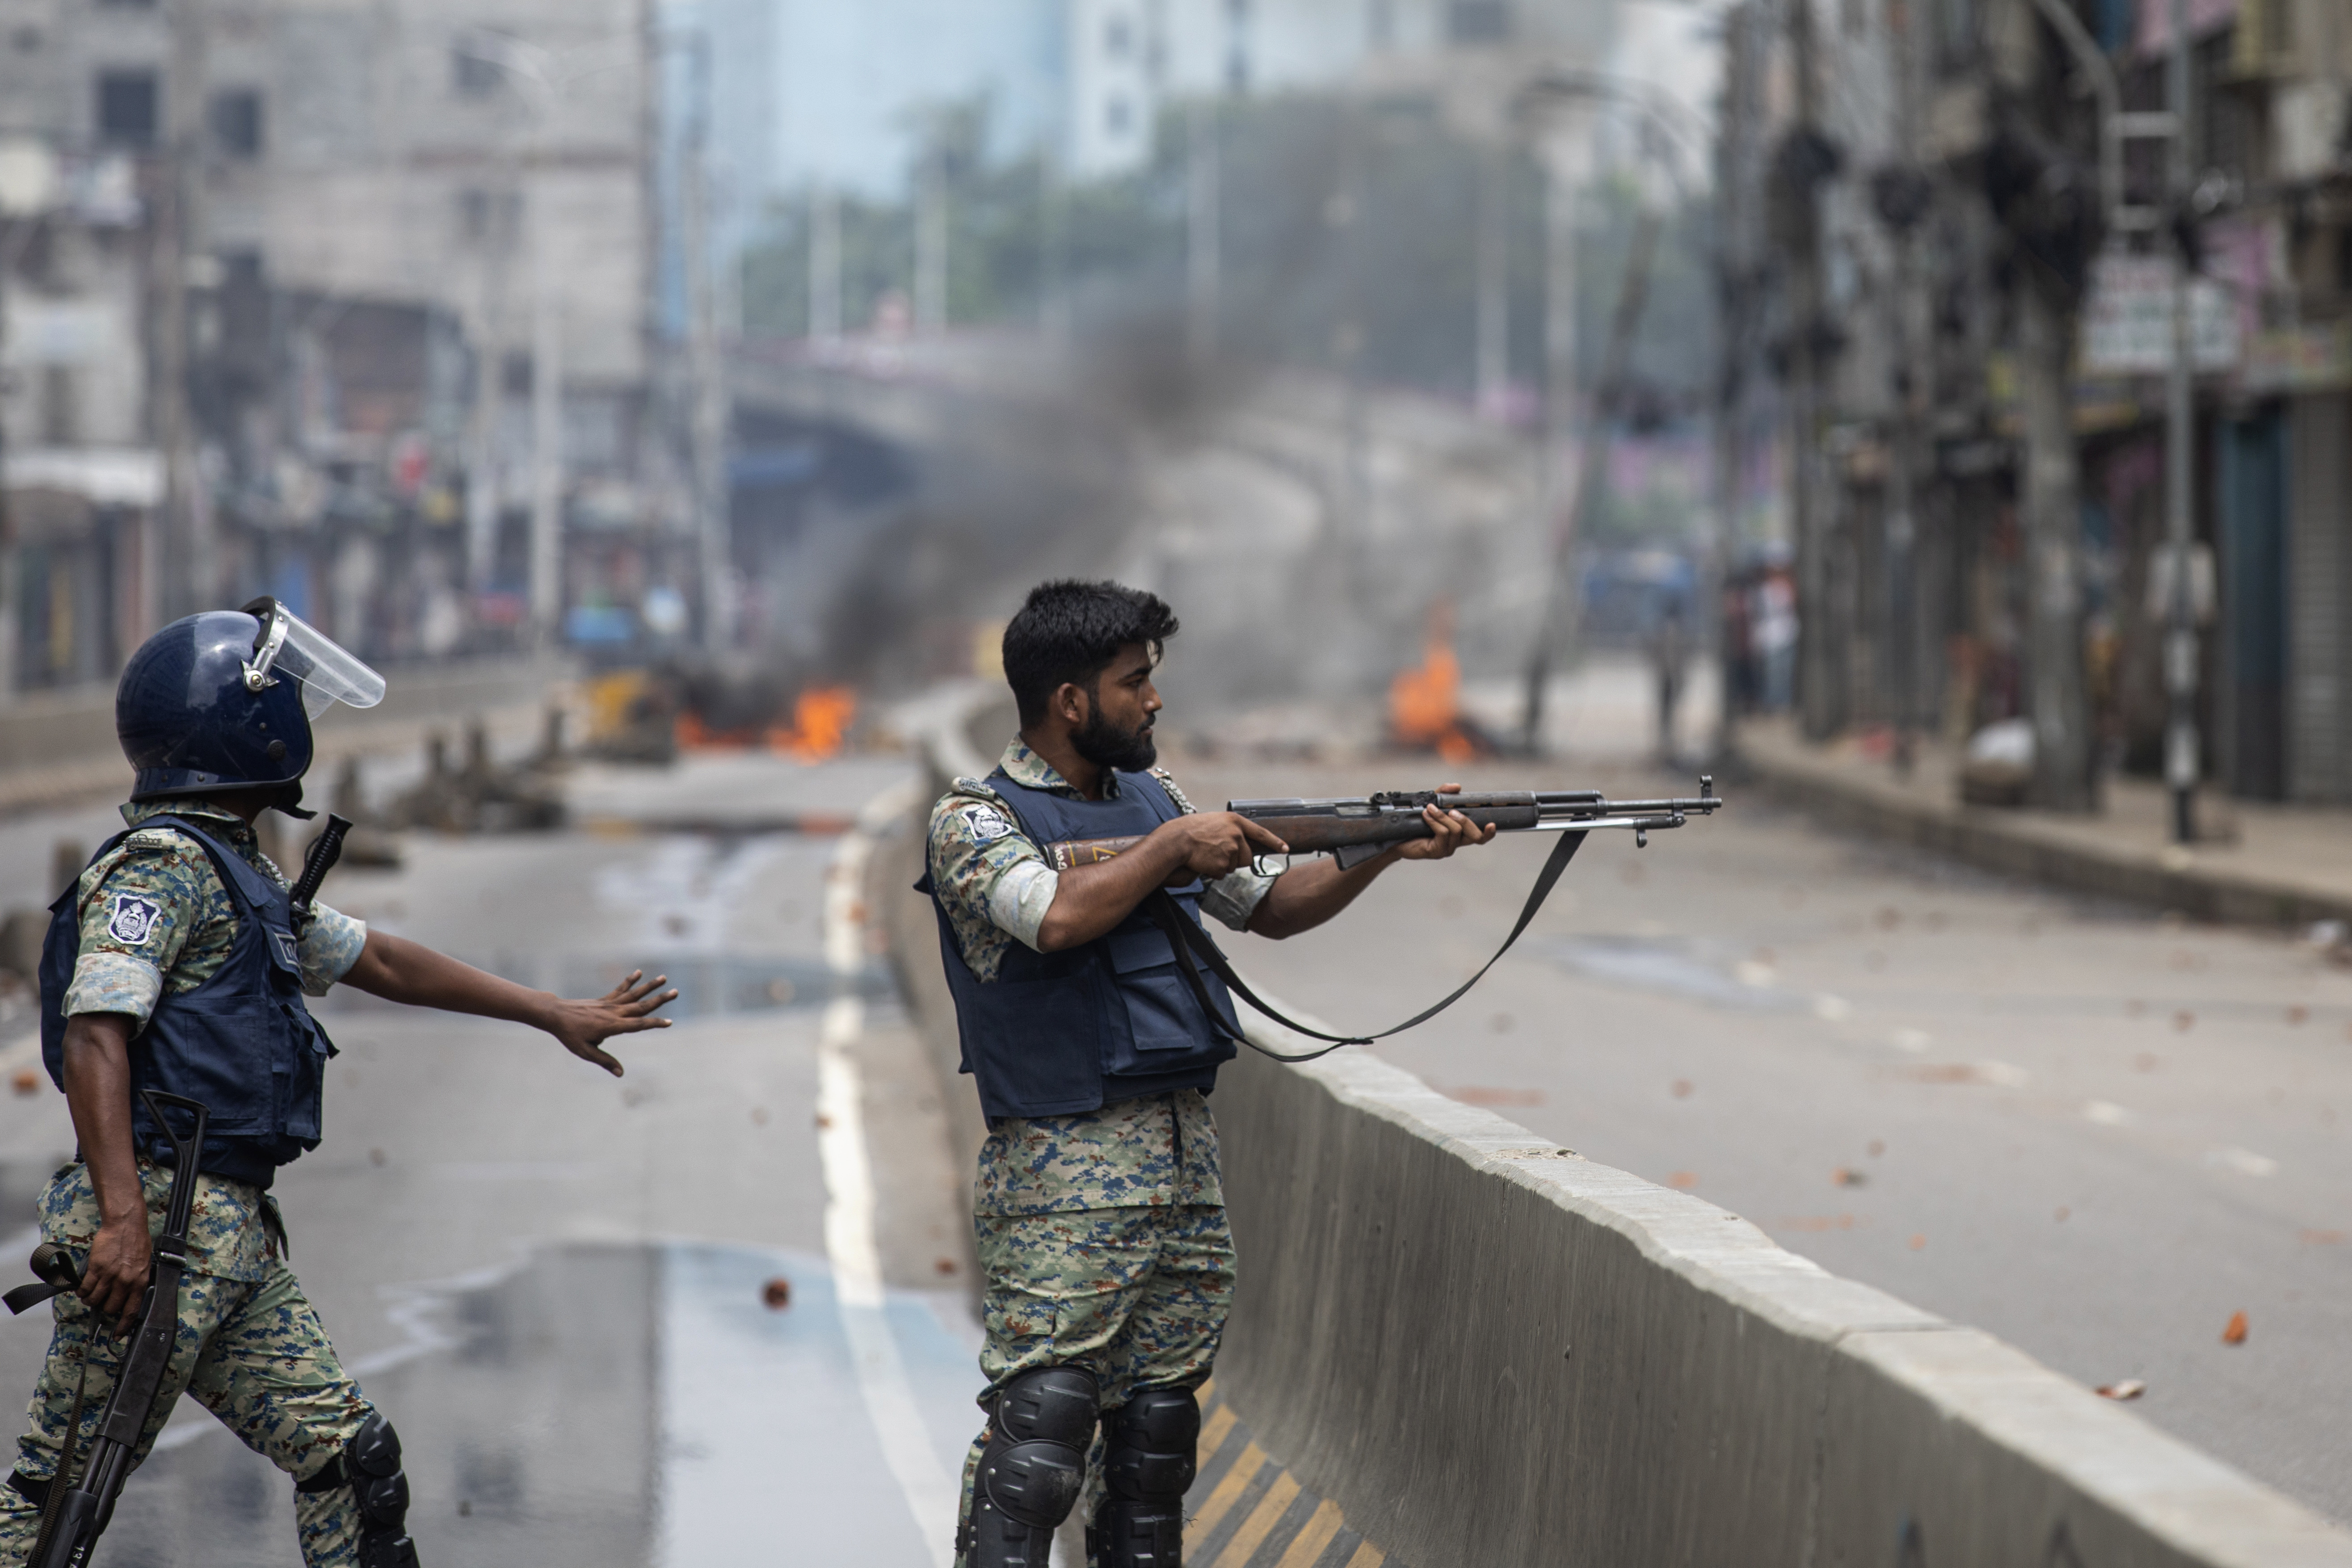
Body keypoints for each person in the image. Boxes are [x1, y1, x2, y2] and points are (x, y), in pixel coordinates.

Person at [0, 601, 675, 1568]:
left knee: (352, 1462)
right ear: (244, 726)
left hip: (224, 1246)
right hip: (156, 1237)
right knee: (52, 1510)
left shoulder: (240, 873)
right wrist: (119, 1222)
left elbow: (383, 961)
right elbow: (96, 1035)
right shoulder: (161, 867)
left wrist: (550, 1012)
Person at [922, 580, 1495, 1568]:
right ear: (1069, 701)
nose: (1152, 702)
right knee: (1041, 1443)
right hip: (1063, 1178)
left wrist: (1387, 845)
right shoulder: (976, 821)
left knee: (1154, 1446)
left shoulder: (1158, 801)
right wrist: (1170, 847)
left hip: (1184, 1172)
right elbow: (1051, 916)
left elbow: (1269, 906)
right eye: (1133, 682)